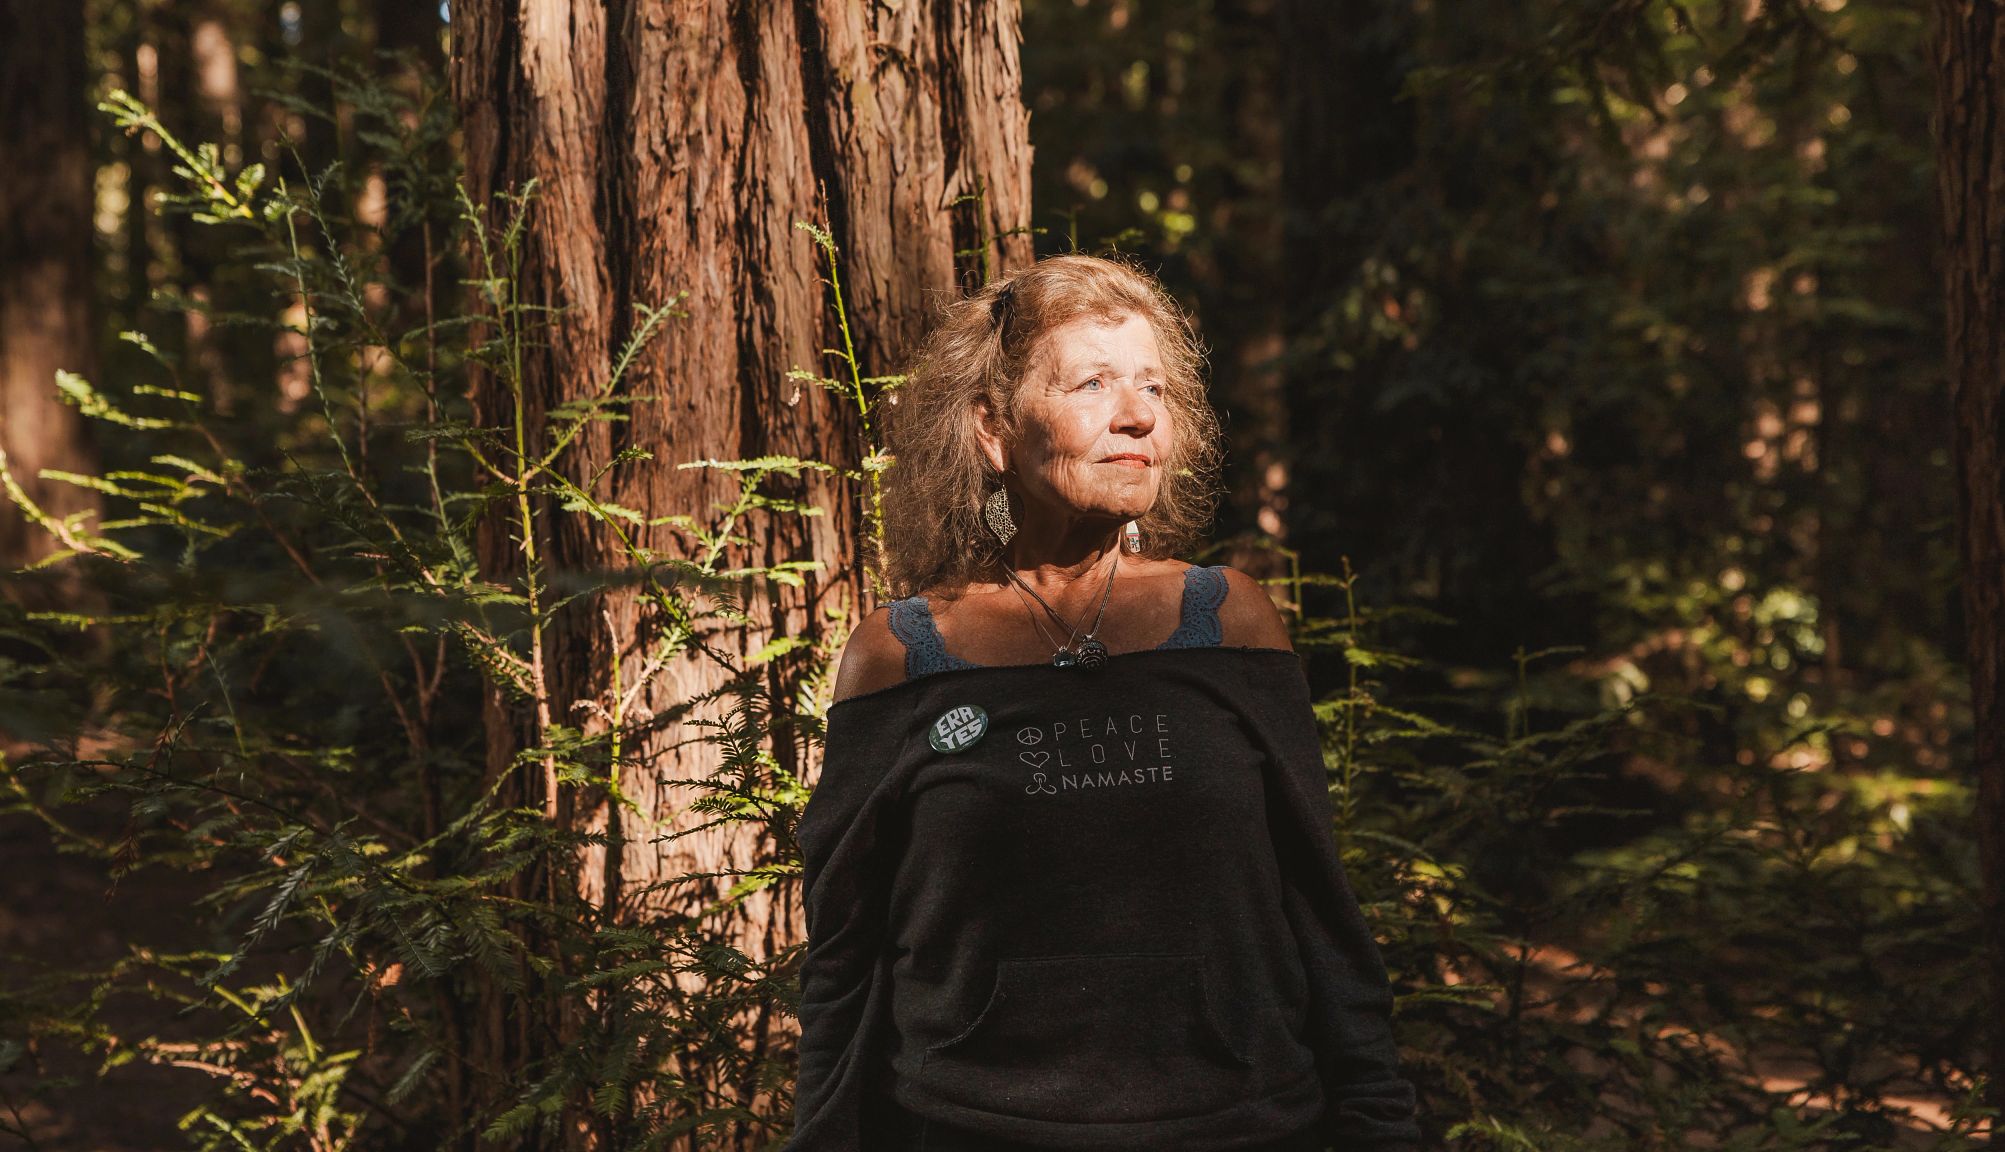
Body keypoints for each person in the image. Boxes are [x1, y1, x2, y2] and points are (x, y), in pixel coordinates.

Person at [786, 253, 1424, 1152]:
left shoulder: (1227, 620)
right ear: (991, 430)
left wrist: (1378, 1126)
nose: (1138, 416)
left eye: (1154, 389)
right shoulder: (899, 657)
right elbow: (843, 958)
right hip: (971, 1129)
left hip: (1241, 1126)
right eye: (1093, 383)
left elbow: (1322, 910)